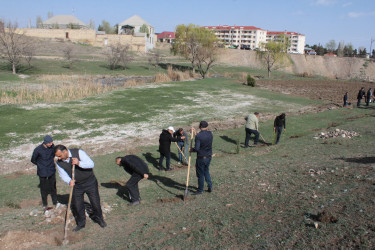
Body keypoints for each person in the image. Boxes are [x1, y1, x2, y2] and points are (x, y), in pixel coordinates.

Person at [54, 144, 106, 232]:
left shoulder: (78, 153)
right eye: (57, 156)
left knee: (95, 202)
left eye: (60, 155)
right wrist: (69, 181)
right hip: (77, 186)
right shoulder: (59, 163)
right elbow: (63, 175)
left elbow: (91, 164)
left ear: (65, 151)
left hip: (90, 182)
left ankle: (100, 220)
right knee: (78, 205)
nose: (58, 158)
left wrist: (79, 163)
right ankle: (81, 223)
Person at [31, 135, 58, 210]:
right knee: (43, 189)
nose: (51, 144)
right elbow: (33, 159)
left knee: (53, 186)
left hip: (51, 169)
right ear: (45, 143)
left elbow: (53, 155)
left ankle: (55, 202)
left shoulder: (52, 147)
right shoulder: (37, 150)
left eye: (52, 142)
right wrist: (40, 165)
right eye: (49, 143)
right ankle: (44, 203)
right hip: (42, 171)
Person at [190, 121, 213, 195]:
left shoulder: (199, 136)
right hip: (209, 157)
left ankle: (200, 190)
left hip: (201, 158)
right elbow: (202, 138)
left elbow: (197, 148)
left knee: (200, 174)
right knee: (206, 171)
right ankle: (210, 186)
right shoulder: (210, 134)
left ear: (200, 127)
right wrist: (195, 132)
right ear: (207, 127)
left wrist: (192, 149)